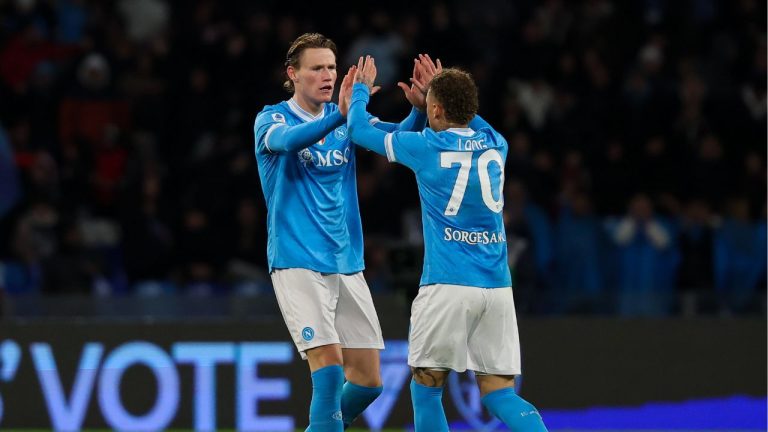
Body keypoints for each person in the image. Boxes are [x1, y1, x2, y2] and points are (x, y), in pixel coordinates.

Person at [345, 56, 548, 431]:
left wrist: (359, 89)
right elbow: (467, 114)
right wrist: (438, 92)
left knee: (427, 388)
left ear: (436, 109)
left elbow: (358, 129)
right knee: (500, 393)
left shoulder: (425, 147)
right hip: (497, 288)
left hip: (447, 285)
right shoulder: (496, 144)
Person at [252, 33, 437, 431]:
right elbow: (286, 143)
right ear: (292, 73)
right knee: (330, 368)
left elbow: (393, 138)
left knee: (369, 382)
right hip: (297, 261)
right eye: (316, 68)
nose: (327, 75)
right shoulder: (273, 118)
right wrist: (343, 111)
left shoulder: (345, 120)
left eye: (332, 67)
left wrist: (419, 112)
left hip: (346, 262)